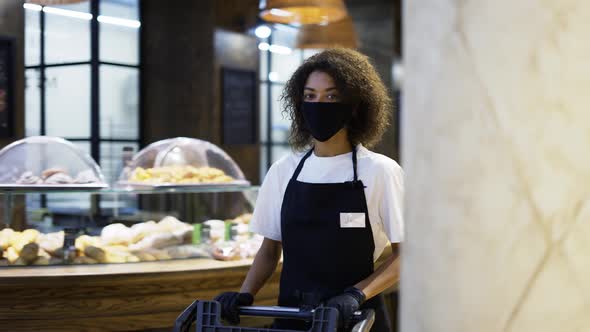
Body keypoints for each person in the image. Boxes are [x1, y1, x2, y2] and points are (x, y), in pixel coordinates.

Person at [215, 48, 403, 331]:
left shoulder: (379, 171)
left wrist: (356, 294)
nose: (319, 104)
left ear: (354, 105)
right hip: (293, 318)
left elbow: (406, 256)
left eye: (331, 96)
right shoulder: (283, 170)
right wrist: (245, 293)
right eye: (310, 95)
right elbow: (269, 250)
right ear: (299, 103)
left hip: (355, 320)